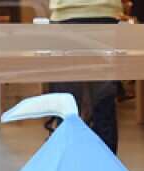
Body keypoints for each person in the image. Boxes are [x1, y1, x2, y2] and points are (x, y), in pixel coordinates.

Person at [45, 0, 122, 153]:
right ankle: (107, 170)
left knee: (67, 103)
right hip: (104, 14)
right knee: (103, 101)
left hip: (66, 15)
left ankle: (68, 167)